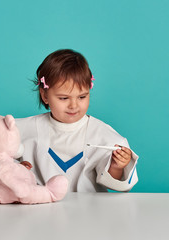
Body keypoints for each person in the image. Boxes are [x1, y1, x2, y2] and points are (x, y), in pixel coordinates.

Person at [16, 49, 138, 192]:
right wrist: (17, 169)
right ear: (45, 95)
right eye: (64, 98)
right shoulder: (21, 130)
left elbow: (114, 183)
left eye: (82, 97)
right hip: (38, 208)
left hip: (87, 210)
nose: (74, 105)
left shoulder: (102, 135)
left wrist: (117, 166)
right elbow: (1, 162)